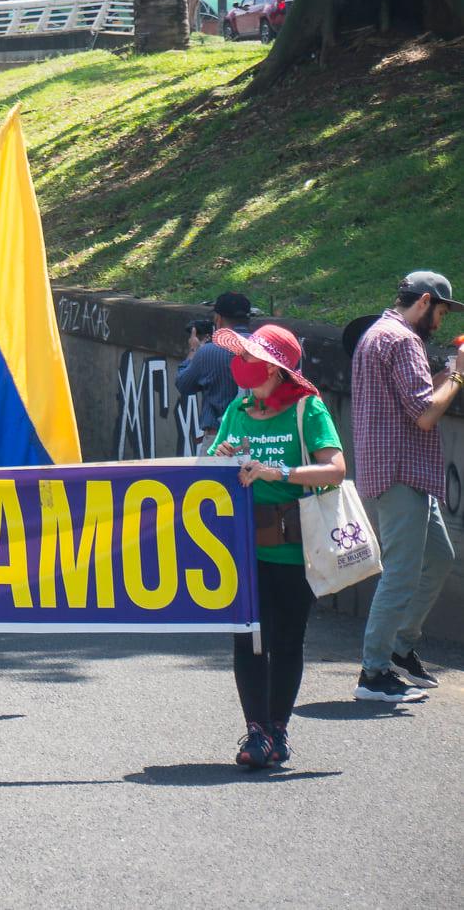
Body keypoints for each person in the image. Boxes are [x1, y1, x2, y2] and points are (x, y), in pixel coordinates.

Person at [205, 325, 347, 768]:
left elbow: (336, 469)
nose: (244, 365)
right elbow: (212, 464)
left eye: (253, 359)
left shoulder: (308, 408)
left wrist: (277, 473)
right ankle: (257, 733)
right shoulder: (238, 408)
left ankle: (277, 731)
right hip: (243, 549)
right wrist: (220, 457)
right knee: (247, 641)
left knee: (286, 642)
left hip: (294, 547)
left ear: (275, 369)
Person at [350, 271, 461, 703]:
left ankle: (398, 646)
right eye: (442, 313)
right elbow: (426, 415)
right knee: (400, 573)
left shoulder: (379, 333)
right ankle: (374, 672)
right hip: (401, 472)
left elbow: (414, 398)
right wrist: (459, 376)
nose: (441, 322)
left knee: (439, 557)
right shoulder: (403, 340)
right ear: (425, 301)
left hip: (398, 470)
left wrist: (447, 372)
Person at [176, 292, 256, 448]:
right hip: (260, 437)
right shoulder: (265, 348)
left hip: (219, 439)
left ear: (218, 319)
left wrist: (194, 350)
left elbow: (183, 385)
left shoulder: (208, 352)